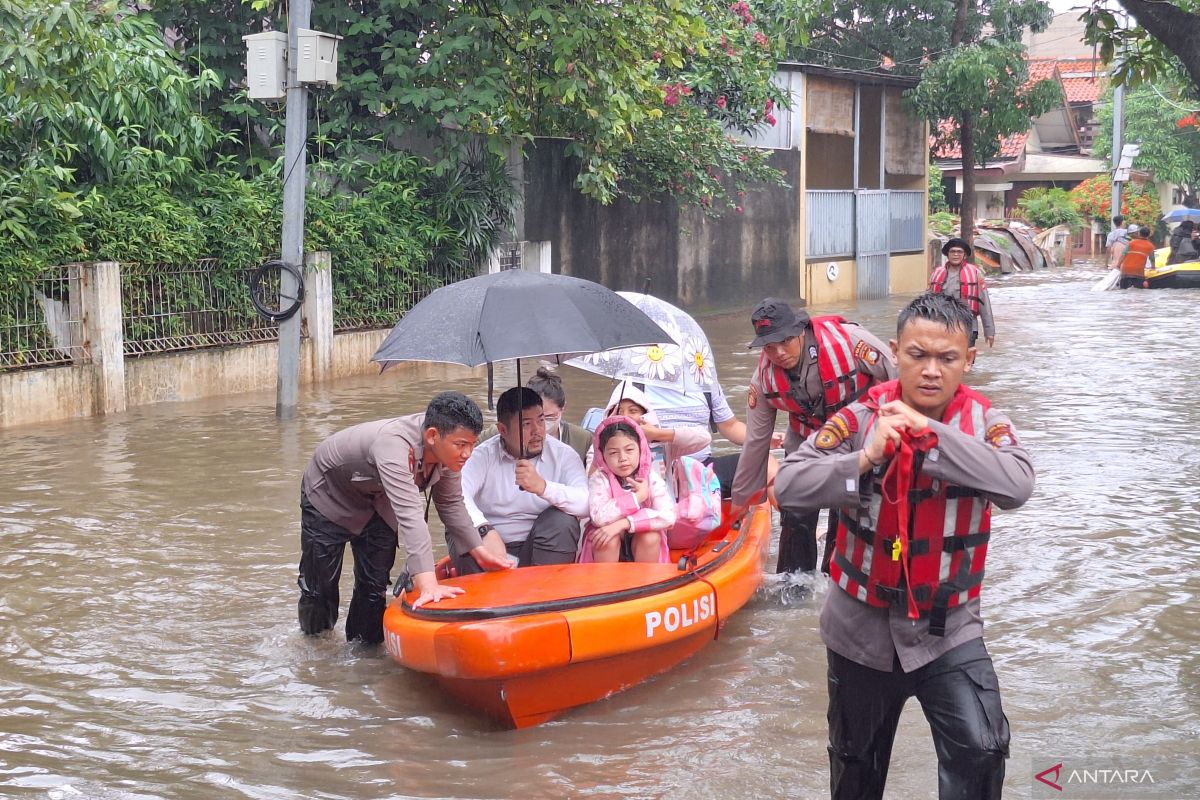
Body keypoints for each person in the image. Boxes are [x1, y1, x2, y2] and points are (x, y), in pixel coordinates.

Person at [774, 292, 1035, 800]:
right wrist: (865, 458)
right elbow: (788, 486)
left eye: (947, 358)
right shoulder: (859, 418)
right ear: (895, 352)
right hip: (858, 631)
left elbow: (1018, 485)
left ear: (969, 360)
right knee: (854, 767)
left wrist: (931, 436)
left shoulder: (985, 423)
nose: (931, 371)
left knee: (982, 748)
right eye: (918, 355)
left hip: (948, 630)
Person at [297, 391, 511, 643]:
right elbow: (410, 515)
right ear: (432, 436)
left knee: (374, 586)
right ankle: (316, 649)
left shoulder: (448, 454)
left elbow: (451, 504)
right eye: (461, 445)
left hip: (379, 503)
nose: (468, 453)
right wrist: (428, 584)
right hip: (328, 498)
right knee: (319, 588)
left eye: (472, 445)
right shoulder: (393, 445)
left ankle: (364, 653)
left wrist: (478, 550)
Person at [730, 298, 896, 575]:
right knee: (794, 511)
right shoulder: (763, 381)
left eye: (785, 341)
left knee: (846, 513)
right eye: (769, 346)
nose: (779, 352)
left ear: (801, 330)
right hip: (807, 440)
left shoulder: (850, 341)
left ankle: (836, 577)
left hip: (859, 437)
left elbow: (898, 377)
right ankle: (793, 583)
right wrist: (741, 500)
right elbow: (756, 443)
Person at [455, 386, 588, 574]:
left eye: (541, 420)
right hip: (491, 547)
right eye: (526, 424)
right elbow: (458, 497)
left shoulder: (563, 455)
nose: (537, 431)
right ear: (503, 430)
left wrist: (544, 487)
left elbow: (586, 503)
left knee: (563, 521)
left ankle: (545, 588)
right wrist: (483, 530)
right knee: (459, 526)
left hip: (542, 548)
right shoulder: (481, 456)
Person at [579, 416, 675, 563]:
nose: (622, 458)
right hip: (608, 540)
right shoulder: (599, 478)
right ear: (602, 455)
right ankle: (604, 578)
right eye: (613, 453)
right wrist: (637, 498)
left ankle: (645, 577)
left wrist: (624, 524)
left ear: (641, 449)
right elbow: (599, 517)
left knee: (650, 537)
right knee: (607, 540)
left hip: (641, 541)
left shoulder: (650, 477)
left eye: (629, 450)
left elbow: (668, 516)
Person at [589, 381, 711, 479]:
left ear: (645, 415)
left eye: (633, 411)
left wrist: (658, 434)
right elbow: (590, 479)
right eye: (619, 412)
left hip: (661, 502)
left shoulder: (661, 444)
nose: (625, 417)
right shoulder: (600, 446)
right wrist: (603, 437)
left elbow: (704, 438)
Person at [479, 366, 591, 463]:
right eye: (526, 423)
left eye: (547, 418)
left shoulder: (581, 440)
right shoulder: (499, 433)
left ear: (563, 408)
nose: (538, 428)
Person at [929, 238, 995, 348]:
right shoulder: (937, 273)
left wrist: (989, 331)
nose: (956, 255)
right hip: (942, 326)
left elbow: (984, 303)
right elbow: (927, 302)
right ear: (947, 254)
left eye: (959, 252)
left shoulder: (975, 273)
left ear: (964, 255)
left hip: (968, 326)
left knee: (966, 357)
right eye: (952, 251)